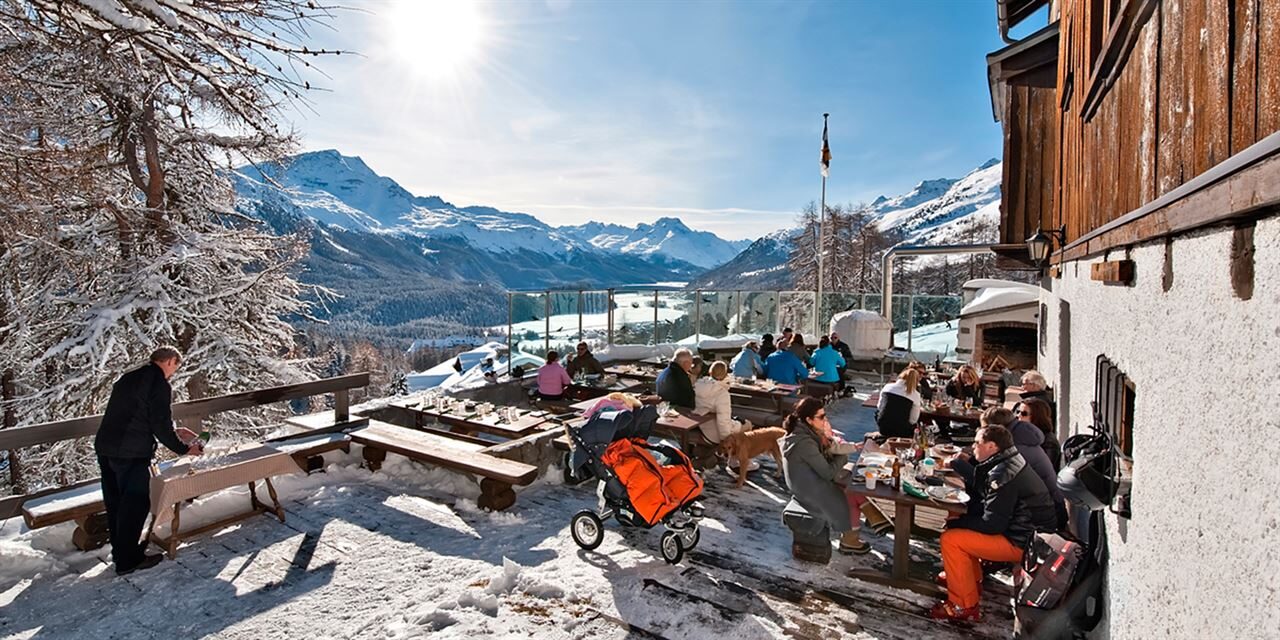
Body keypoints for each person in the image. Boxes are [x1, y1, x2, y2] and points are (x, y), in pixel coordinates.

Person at [95, 346, 204, 576]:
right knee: (134, 504)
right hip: (131, 453)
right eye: (176, 367)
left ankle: (121, 552)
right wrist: (184, 449)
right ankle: (129, 561)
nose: (173, 372)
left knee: (115, 503)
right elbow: (159, 423)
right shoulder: (158, 383)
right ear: (171, 361)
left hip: (106, 448)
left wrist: (174, 430)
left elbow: (137, 413)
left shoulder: (129, 377)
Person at [931, 424, 1058, 622]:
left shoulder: (1003, 473)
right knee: (961, 529)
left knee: (951, 539)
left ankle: (963, 605)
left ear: (991, 446)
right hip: (1031, 535)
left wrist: (959, 523)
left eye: (977, 443)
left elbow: (992, 525)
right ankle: (969, 582)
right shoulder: (1009, 460)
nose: (973, 447)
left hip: (1023, 543)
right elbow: (989, 491)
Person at [781, 397, 890, 555]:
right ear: (809, 420)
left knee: (851, 485)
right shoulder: (804, 441)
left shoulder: (808, 432)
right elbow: (827, 473)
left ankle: (860, 530)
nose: (825, 419)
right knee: (850, 493)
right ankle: (860, 530)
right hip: (806, 489)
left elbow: (827, 454)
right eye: (821, 417)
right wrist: (843, 457)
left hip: (808, 481)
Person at [963, 407, 1067, 531]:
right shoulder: (1015, 444)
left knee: (953, 536)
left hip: (1037, 524)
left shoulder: (1015, 452)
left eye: (985, 428)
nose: (982, 430)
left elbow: (992, 486)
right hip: (1038, 513)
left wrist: (959, 465)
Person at [694, 361, 751, 444]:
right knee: (748, 424)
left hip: (701, 426)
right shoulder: (722, 393)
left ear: (711, 372)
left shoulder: (699, 386)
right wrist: (725, 440)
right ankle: (742, 453)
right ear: (725, 374)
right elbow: (723, 421)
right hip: (713, 433)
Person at [876, 368, 923, 438]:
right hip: (901, 430)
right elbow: (913, 420)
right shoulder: (915, 394)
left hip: (883, 427)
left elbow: (879, 406)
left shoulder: (887, 387)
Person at [1019, 398, 1061, 470]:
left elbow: (1043, 471)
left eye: (1024, 413)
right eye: (1018, 412)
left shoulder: (1048, 442)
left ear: (1036, 416)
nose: (1018, 416)